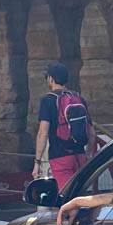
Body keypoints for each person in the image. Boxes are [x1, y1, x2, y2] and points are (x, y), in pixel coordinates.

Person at [33, 62, 94, 192]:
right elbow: (91, 132)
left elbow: (43, 133)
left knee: (65, 196)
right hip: (80, 156)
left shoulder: (48, 100)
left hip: (60, 157)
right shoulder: (78, 98)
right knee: (79, 193)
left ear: (51, 79)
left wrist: (37, 162)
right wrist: (89, 154)